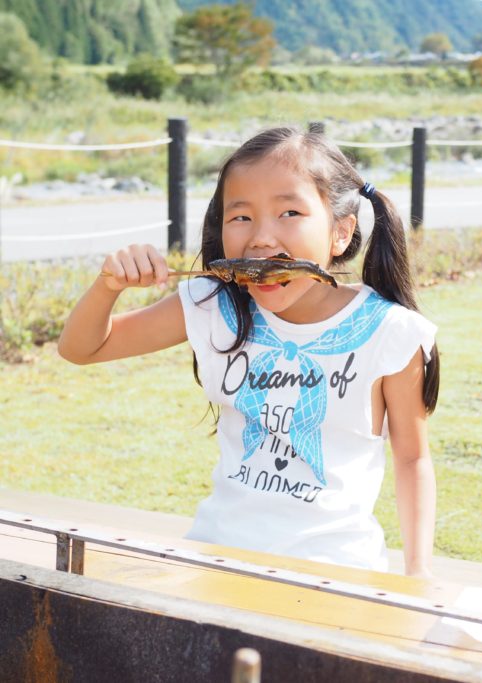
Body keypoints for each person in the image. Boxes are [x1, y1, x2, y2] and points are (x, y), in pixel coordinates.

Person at [59, 126, 439, 577]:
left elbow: (412, 458)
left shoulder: (390, 333)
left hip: (334, 569)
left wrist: (418, 576)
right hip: (217, 556)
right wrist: (109, 286)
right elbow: (82, 349)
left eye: (290, 212)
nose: (260, 238)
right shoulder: (213, 305)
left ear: (340, 233)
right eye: (240, 217)